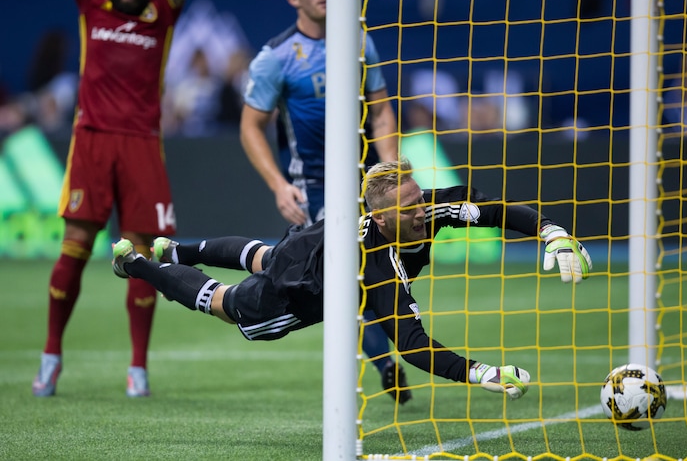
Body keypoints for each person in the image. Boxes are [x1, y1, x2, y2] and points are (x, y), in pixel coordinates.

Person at [110, 158, 593, 401]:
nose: (423, 210)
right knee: (226, 301)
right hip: (302, 289)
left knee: (261, 252)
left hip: (311, 243)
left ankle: (177, 247)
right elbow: (411, 342)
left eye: (420, 198)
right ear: (382, 221)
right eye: (410, 208)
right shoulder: (377, 264)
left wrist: (551, 231)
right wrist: (481, 373)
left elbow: (494, 209)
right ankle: (138, 265)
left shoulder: (428, 207)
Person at [239, 0, 405, 401]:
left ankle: (383, 361)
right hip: (315, 189)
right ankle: (385, 363)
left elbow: (383, 111)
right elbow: (251, 127)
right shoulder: (275, 57)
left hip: (366, 181)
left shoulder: (358, 40)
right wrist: (278, 185)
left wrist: (389, 171)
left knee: (371, 275)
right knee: (352, 274)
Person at [32, 0, 190, 398]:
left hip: (142, 145)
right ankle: (51, 357)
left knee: (142, 257)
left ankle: (138, 368)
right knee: (74, 249)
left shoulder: (163, 9)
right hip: (93, 142)